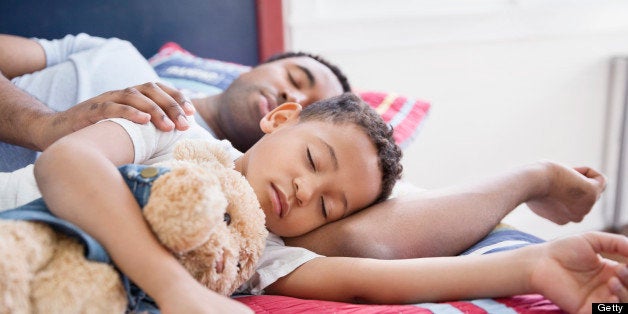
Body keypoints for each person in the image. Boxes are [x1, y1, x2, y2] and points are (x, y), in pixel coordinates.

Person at [0, 33, 607, 263]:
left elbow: (375, 241)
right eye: (293, 75)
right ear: (278, 105)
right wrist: (45, 127)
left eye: (327, 192)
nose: (310, 190)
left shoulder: (232, 197)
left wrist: (533, 178)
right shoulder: (115, 58)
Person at [5, 92, 628, 314]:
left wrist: (535, 266)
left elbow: (370, 280)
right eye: (312, 162)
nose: (305, 193)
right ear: (280, 118)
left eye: (328, 208)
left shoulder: (261, 252)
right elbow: (68, 162)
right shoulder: (176, 127)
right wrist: (175, 288)